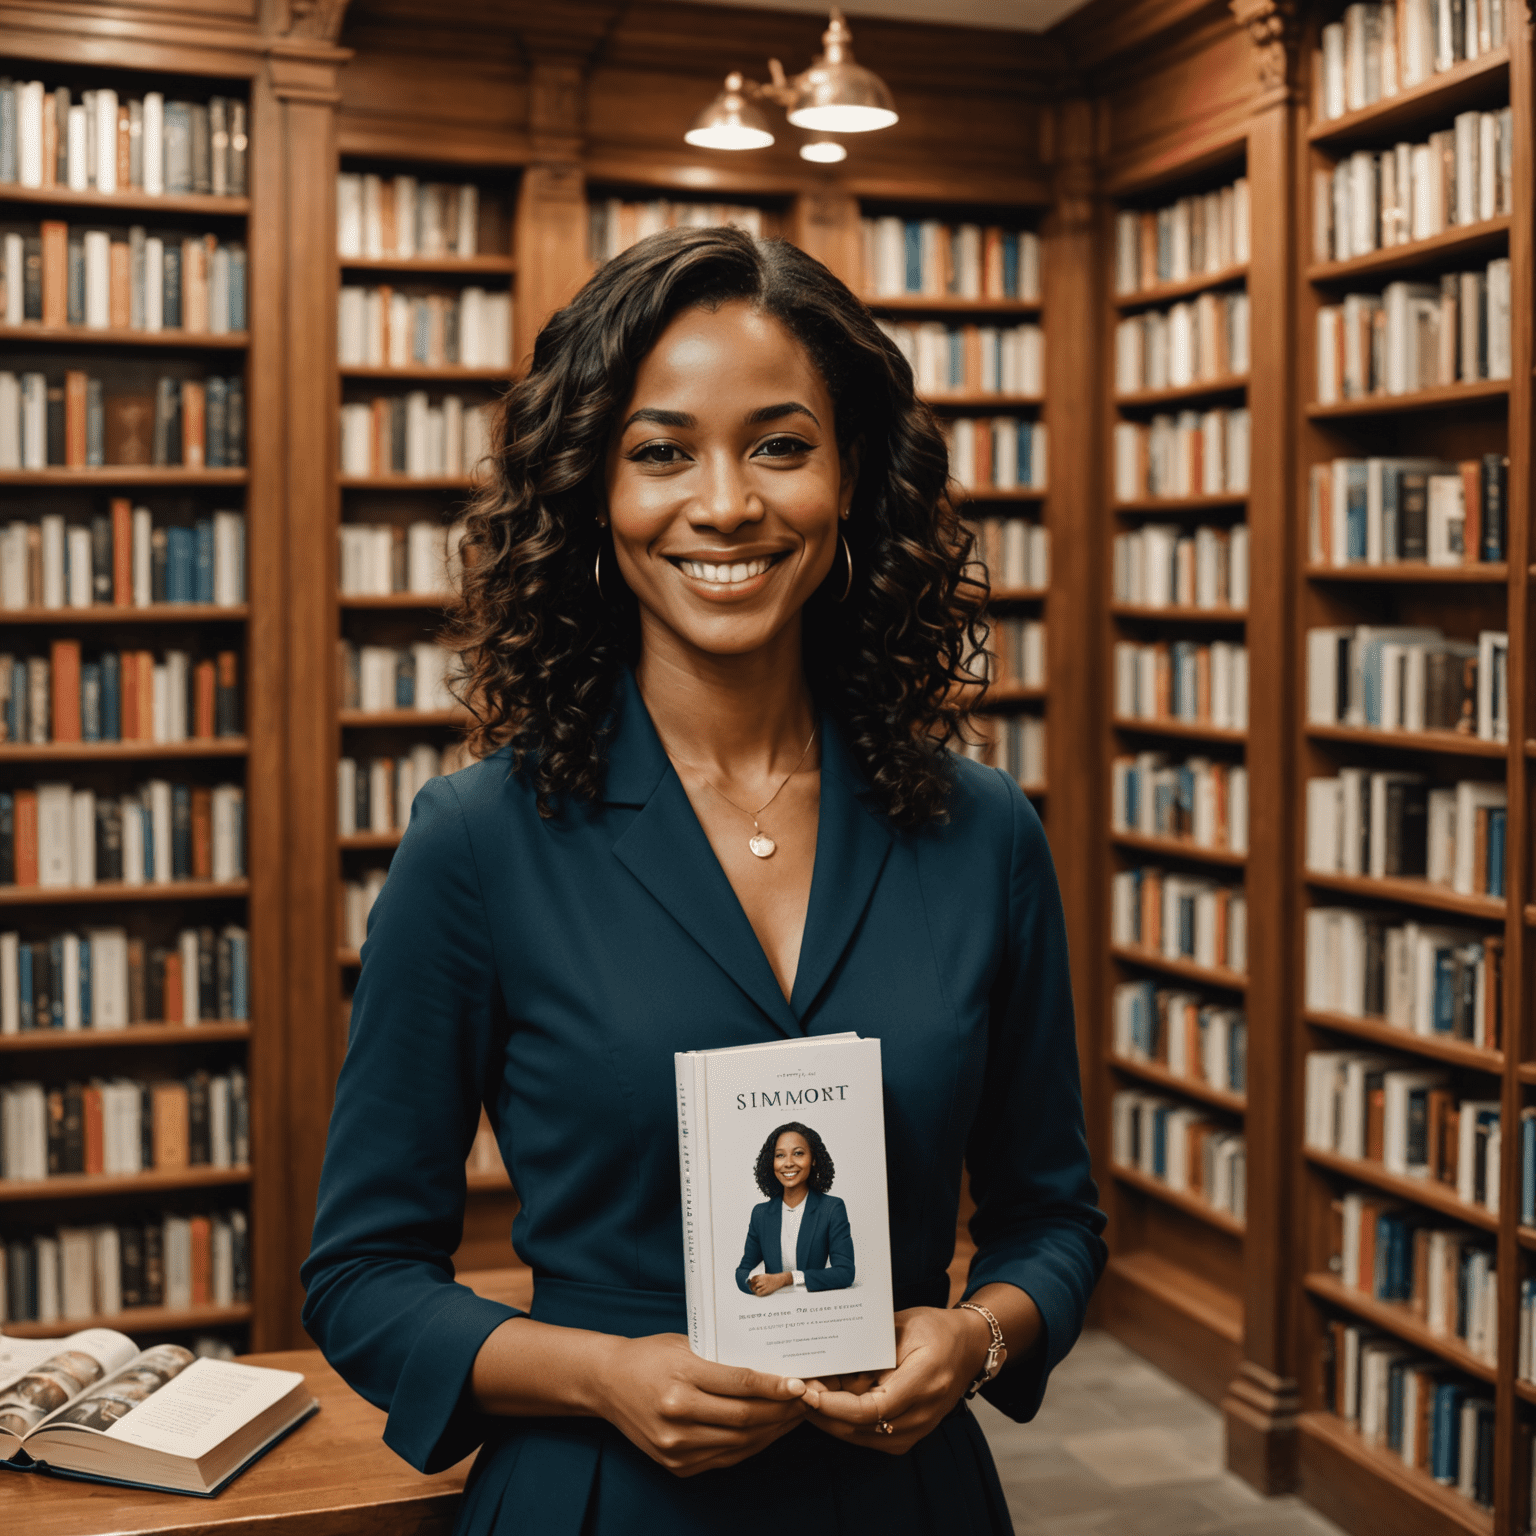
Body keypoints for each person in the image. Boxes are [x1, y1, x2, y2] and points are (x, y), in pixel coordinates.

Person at [301, 225, 1106, 1536]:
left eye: (780, 444)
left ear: (851, 479)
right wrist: (602, 1376)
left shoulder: (983, 829)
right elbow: (362, 1275)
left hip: (904, 1498)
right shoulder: (479, 839)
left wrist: (977, 1341)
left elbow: (1054, 1223)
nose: (726, 502)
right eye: (661, 450)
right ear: (591, 494)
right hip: (604, 1496)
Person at [737, 1123, 854, 1296]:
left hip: (816, 1308)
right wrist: (753, 1282)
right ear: (772, 1162)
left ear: (813, 1159)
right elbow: (743, 1270)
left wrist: (787, 1279)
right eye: (780, 1155)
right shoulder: (761, 1214)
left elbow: (845, 1273)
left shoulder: (831, 1208)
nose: (789, 1163)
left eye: (798, 1153)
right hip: (772, 1310)